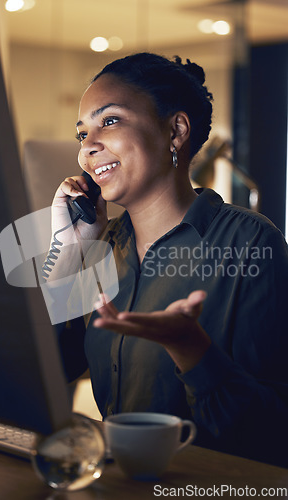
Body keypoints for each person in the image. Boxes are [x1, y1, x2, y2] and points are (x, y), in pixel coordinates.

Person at [46, 53, 288, 467]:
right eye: (81, 133)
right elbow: (48, 375)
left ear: (175, 131)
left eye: (110, 121)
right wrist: (68, 257)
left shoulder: (251, 243)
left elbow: (272, 431)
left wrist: (191, 349)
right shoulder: (101, 248)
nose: (88, 147)